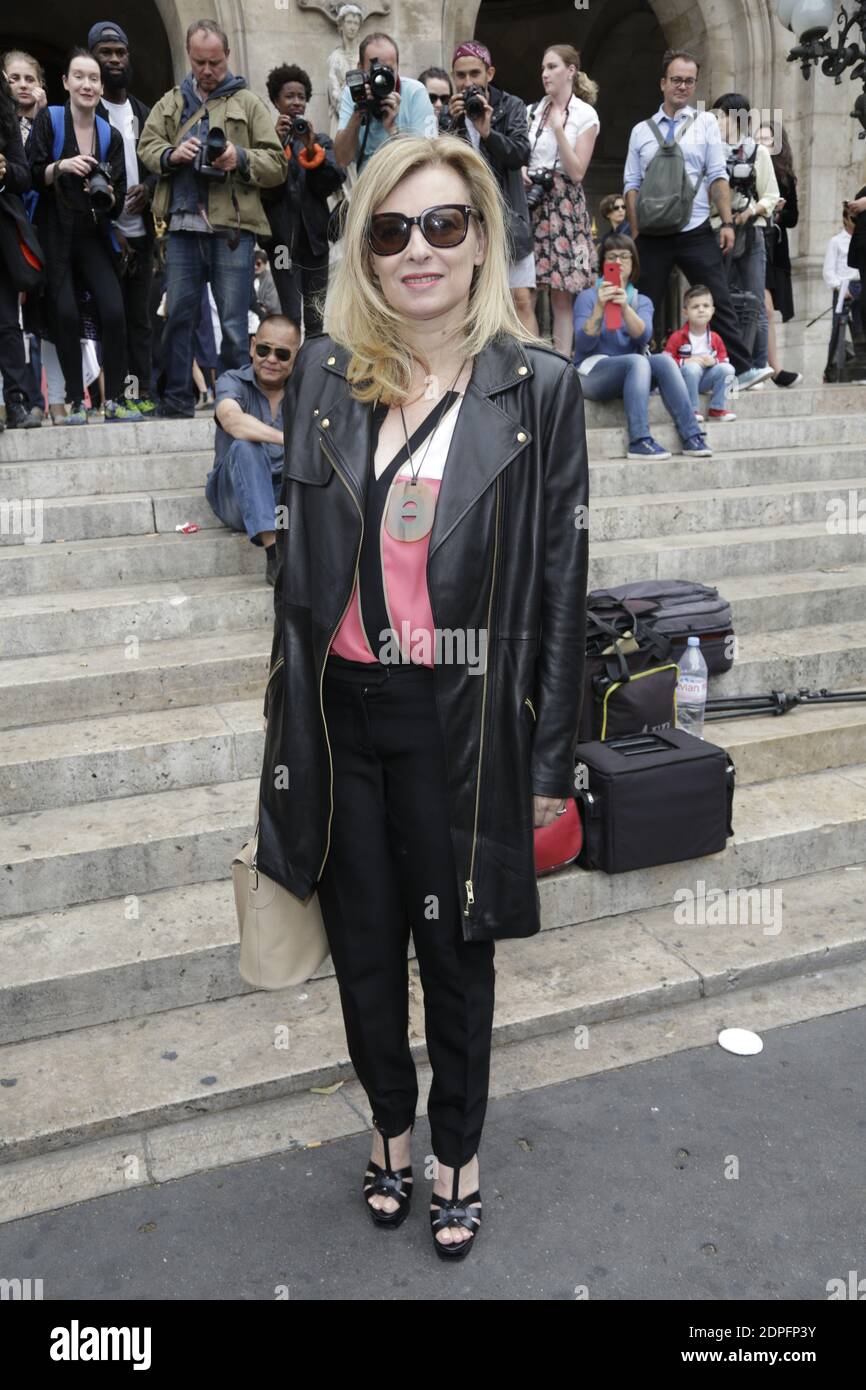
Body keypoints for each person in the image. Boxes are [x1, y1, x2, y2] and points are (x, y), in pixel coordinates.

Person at [255, 134, 588, 1258]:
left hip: (460, 721)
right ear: (365, 250)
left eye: (444, 224)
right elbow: (295, 580)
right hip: (340, 713)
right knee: (361, 948)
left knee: (453, 953)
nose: (418, 251)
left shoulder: (536, 391)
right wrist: (285, 729)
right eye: (391, 230)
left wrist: (545, 770)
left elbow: (555, 588)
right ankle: (389, 1130)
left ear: (482, 238)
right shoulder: (321, 377)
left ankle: (458, 1148)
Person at [138, 18, 287, 418]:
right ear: (189, 56)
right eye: (200, 62)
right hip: (183, 226)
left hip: (232, 229)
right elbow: (146, 146)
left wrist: (238, 158)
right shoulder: (171, 102)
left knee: (236, 325)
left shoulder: (249, 103)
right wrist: (173, 155)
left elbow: (277, 165)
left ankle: (234, 403)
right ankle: (177, 400)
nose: (207, 71)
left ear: (227, 57)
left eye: (215, 63)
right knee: (178, 318)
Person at [624, 50, 773, 390]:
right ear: (663, 83)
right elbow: (631, 185)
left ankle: (743, 367)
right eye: (676, 80)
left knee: (719, 298)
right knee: (643, 301)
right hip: (652, 234)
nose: (682, 86)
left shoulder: (705, 122)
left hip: (695, 229)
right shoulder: (640, 132)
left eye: (689, 81)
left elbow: (717, 176)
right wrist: (635, 234)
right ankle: (635, 368)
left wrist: (728, 224)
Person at [27, 48, 137, 424]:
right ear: (66, 82)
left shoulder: (111, 135)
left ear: (101, 86)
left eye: (93, 79)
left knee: (114, 310)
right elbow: (28, 174)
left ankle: (117, 400)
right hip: (54, 232)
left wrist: (103, 195)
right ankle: (76, 400)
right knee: (65, 313)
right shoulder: (50, 120)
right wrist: (62, 166)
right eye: (79, 77)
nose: (87, 84)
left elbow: (120, 200)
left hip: (92, 232)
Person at [573, 234, 711, 459]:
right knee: (637, 361)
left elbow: (643, 337)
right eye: (612, 257)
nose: (618, 263)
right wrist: (600, 307)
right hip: (593, 373)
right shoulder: (587, 298)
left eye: (624, 257)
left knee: (664, 360)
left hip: (634, 373)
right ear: (603, 263)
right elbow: (584, 344)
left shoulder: (641, 301)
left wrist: (625, 307)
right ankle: (639, 440)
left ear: (633, 264)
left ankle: (691, 435)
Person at [91, 20, 159, 418]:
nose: (114, 60)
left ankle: (140, 393)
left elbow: (157, 164)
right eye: (106, 53)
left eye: (120, 53)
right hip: (105, 234)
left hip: (143, 233)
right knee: (110, 318)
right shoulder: (89, 112)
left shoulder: (143, 113)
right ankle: (112, 395)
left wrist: (148, 187)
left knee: (141, 320)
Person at [205, 313, 299, 585]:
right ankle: (274, 554)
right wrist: (288, 438)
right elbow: (232, 421)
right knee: (246, 445)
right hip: (233, 496)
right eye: (263, 349)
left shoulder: (303, 390)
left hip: (282, 496)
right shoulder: (231, 380)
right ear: (251, 346)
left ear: (296, 358)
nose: (271, 359)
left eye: (282, 354)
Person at [448, 41, 534, 331]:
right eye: (461, 76)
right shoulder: (450, 114)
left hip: (509, 217)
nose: (468, 82)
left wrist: (488, 132)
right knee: (470, 300)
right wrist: (451, 124)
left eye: (475, 73)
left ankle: (534, 371)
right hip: (466, 219)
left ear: (490, 73)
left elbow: (521, 153)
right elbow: (441, 163)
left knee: (520, 299)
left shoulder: (511, 106)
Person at [523, 44, 599, 357]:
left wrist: (558, 129)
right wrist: (522, 168)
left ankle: (563, 364)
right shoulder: (531, 111)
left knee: (561, 294)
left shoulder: (585, 114)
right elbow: (519, 152)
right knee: (525, 289)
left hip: (565, 204)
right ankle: (532, 361)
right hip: (531, 199)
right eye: (543, 68)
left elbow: (578, 171)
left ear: (570, 71)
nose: (545, 74)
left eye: (552, 67)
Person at [263, 63, 345, 337]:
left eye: (301, 96)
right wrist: (275, 143)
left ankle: (311, 375)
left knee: (315, 318)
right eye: (289, 96)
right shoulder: (267, 142)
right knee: (290, 315)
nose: (296, 102)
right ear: (276, 101)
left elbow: (332, 181)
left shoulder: (320, 140)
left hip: (315, 245)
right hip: (281, 246)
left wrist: (311, 147)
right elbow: (264, 188)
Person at [709, 93, 780, 377]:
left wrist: (749, 212)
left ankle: (758, 365)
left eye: (722, 116)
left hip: (750, 234)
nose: (717, 122)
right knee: (720, 301)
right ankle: (725, 364)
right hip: (716, 233)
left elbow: (771, 195)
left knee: (756, 300)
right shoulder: (710, 151)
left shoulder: (757, 152)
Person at [334, 31, 437, 177]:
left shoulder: (416, 92)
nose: (381, 79)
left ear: (398, 68)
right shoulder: (352, 94)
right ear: (360, 68)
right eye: (374, 71)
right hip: (369, 189)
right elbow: (341, 159)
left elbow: (430, 156)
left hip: (408, 185)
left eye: (389, 70)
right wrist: (359, 112)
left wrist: (394, 130)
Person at [0, 69, 41, 430]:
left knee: (7, 322)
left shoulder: (5, 118)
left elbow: (23, 175)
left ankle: (16, 401)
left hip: (1, 231)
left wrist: (4, 171)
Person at [755, 120, 801, 387]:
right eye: (759, 139)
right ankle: (767, 367)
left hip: (775, 249)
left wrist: (779, 211)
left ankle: (770, 367)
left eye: (768, 140)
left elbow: (794, 218)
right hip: (751, 245)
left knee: (767, 311)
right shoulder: (748, 170)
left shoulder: (785, 177)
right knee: (762, 309)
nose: (763, 145)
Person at [664, 285, 737, 421]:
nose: (701, 310)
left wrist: (714, 362)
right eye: (695, 307)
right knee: (692, 368)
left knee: (728, 369)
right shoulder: (677, 337)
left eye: (705, 305)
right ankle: (691, 411)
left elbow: (724, 360)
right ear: (685, 312)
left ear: (712, 310)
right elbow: (665, 362)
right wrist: (683, 362)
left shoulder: (715, 338)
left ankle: (717, 409)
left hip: (705, 380)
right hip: (684, 380)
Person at [823, 204, 863, 381]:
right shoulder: (836, 241)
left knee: (860, 329)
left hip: (862, 285)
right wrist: (840, 288)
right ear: (845, 219)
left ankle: (860, 368)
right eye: (852, 218)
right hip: (844, 288)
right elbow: (828, 271)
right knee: (837, 330)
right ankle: (831, 371)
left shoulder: (861, 238)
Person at [326, 4, 364, 141]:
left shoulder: (363, 55)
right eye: (349, 22)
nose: (352, 27)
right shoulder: (335, 57)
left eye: (356, 23)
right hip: (341, 118)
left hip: (362, 115)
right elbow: (334, 91)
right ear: (341, 25)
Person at [2, 50, 47, 144]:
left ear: (41, 84)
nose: (23, 85)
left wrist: (40, 116)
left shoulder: (54, 124)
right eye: (14, 78)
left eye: (30, 80)